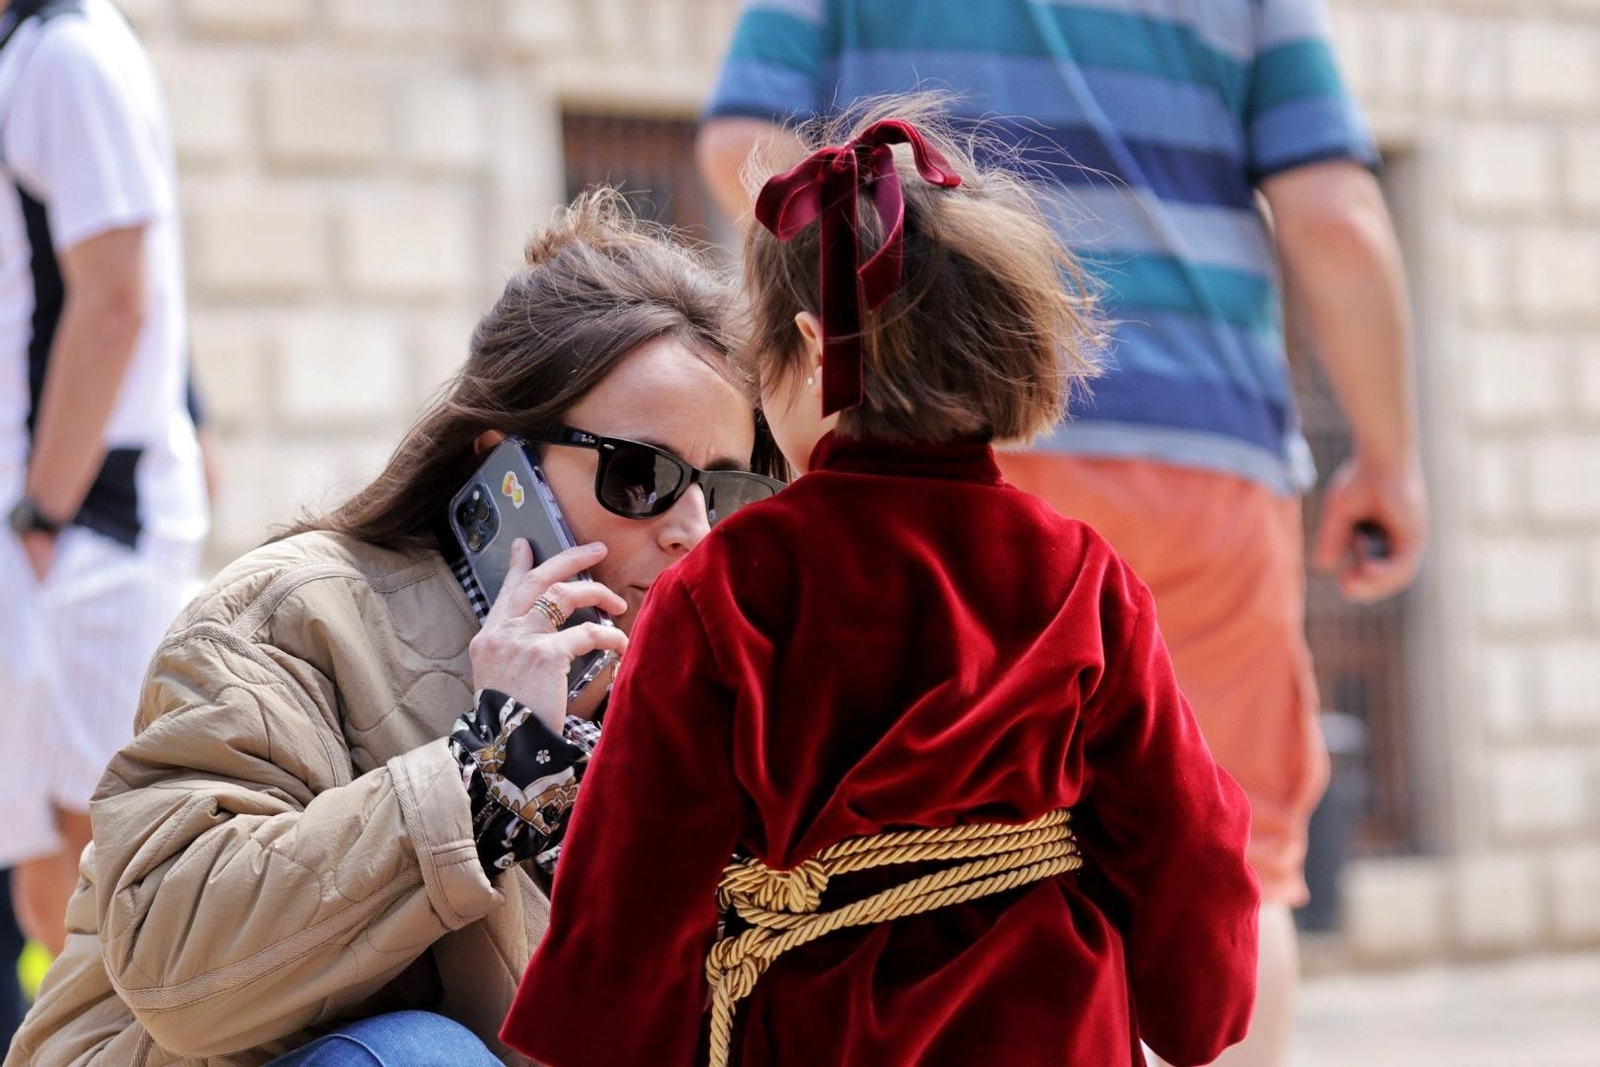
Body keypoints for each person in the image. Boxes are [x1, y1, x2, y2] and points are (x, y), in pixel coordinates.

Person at [697, 5, 1427, 1063]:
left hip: (928, 441)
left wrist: (888, 281)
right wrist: (1389, 454)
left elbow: (743, 152)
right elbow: (1337, 217)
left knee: (931, 842)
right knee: (1240, 857)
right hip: (1198, 459)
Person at [504, 105, 1260, 1067]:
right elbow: (1186, 842)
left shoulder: (729, 584)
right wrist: (1199, 1004)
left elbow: (635, 882)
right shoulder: (1084, 575)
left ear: (817, 354)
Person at [6, 190, 784, 1066]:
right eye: (641, 475)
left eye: (721, 491)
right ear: (504, 468)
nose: (689, 528)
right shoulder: (294, 613)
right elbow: (182, 971)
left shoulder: (702, 707)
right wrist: (489, 768)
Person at [0, 0, 207, 955]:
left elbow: (116, 297)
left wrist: (44, 514)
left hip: (88, 531)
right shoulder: (39, 51)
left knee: (100, 891)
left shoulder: (69, 55)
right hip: (63, 532)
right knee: (53, 888)